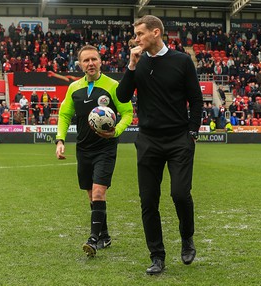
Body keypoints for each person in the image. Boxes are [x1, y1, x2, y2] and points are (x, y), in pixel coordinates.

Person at [116, 15, 203, 275]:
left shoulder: (182, 61)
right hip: (148, 140)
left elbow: (196, 100)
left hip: (179, 139)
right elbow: (121, 96)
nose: (136, 39)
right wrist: (131, 66)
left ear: (156, 33)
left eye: (140, 34)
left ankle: (187, 237)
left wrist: (192, 132)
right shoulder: (137, 62)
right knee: (148, 201)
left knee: (179, 194)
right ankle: (157, 256)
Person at [55, 45, 133, 258]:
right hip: (84, 149)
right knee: (91, 195)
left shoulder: (113, 86)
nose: (90, 63)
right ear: (79, 64)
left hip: (105, 149)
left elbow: (128, 113)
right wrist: (60, 139)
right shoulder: (74, 88)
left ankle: (93, 239)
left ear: (100, 61)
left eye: (94, 59)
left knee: (99, 192)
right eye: (86, 60)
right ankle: (105, 235)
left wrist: (116, 130)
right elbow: (64, 115)